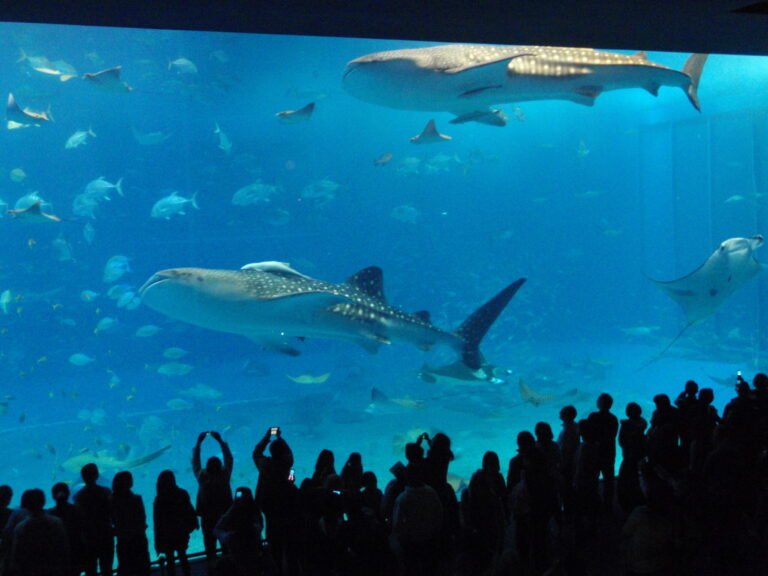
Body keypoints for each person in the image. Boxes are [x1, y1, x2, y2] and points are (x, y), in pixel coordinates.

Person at [253, 428, 297, 575]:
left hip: (270, 507)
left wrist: (267, 437)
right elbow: (289, 453)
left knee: (274, 538)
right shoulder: (287, 463)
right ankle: (292, 569)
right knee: (289, 540)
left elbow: (256, 452)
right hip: (286, 505)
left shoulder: (264, 464)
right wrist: (279, 438)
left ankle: (277, 567)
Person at [192, 430, 234, 568]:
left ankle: (212, 571)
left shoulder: (202, 478)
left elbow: (196, 463)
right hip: (225, 517)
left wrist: (198, 444)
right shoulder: (224, 476)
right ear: (220, 466)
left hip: (208, 519)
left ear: (207, 468)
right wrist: (220, 441)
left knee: (210, 549)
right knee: (226, 547)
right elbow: (229, 459)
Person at [10, 489, 69, 576]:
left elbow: (17, 553)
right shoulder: (56, 522)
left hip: (30, 569)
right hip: (53, 567)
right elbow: (64, 547)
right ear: (43, 502)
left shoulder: (21, 527)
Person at [214, 487, 272, 576]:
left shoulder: (233, 517)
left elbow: (217, 529)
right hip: (253, 554)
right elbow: (259, 527)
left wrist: (232, 507)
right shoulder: (255, 513)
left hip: (240, 555)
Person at [153, 470, 198, 576]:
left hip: (167, 535)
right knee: (183, 557)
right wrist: (193, 524)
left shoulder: (159, 499)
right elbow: (190, 511)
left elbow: (157, 522)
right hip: (181, 532)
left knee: (170, 561)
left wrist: (157, 542)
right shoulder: (182, 493)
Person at [73, 463, 114, 576]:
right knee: (107, 569)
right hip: (106, 534)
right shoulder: (106, 492)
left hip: (88, 538)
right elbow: (112, 512)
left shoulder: (78, 497)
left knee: (90, 570)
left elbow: (79, 519)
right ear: (97, 475)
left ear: (83, 477)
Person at [110, 471, 150, 576]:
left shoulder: (111, 501)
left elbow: (112, 521)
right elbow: (142, 518)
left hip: (123, 540)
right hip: (138, 538)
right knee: (142, 568)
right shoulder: (136, 499)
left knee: (124, 567)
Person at [587, 393, 619, 511]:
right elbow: (612, 436)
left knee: (592, 479)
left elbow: (589, 434)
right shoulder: (614, 418)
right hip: (609, 452)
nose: (597, 401)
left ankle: (594, 503)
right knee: (609, 480)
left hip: (595, 453)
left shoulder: (593, 416)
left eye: (599, 399)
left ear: (601, 403)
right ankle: (608, 504)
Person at [617, 402, 647, 514]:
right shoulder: (642, 422)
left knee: (626, 479)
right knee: (637, 478)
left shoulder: (626, 426)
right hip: (640, 456)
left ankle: (627, 504)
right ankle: (639, 500)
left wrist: (627, 425)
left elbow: (621, 441)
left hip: (630, 456)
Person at [49, 483, 84, 576]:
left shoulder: (49, 514)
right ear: (69, 494)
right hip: (75, 553)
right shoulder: (77, 510)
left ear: (53, 496)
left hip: (56, 555)